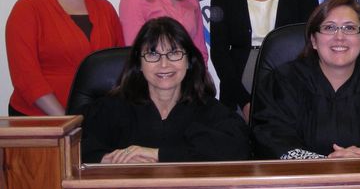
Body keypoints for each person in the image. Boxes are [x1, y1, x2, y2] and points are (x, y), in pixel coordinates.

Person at [252, 0, 360, 159]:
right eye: (329, 28)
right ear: (313, 40)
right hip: (300, 185)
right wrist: (324, 163)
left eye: (349, 28)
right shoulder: (283, 81)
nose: (340, 37)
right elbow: (271, 138)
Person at [81, 17, 250, 163]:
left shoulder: (206, 109)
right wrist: (105, 159)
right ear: (139, 63)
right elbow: (74, 144)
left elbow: (239, 148)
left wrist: (158, 155)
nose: (164, 64)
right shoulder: (112, 108)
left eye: (174, 53)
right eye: (153, 54)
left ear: (189, 61)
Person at [5, 0, 123, 116]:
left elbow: (120, 69)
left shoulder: (105, 9)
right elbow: (25, 77)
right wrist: (67, 122)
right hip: (39, 120)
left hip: (95, 121)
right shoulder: (27, 8)